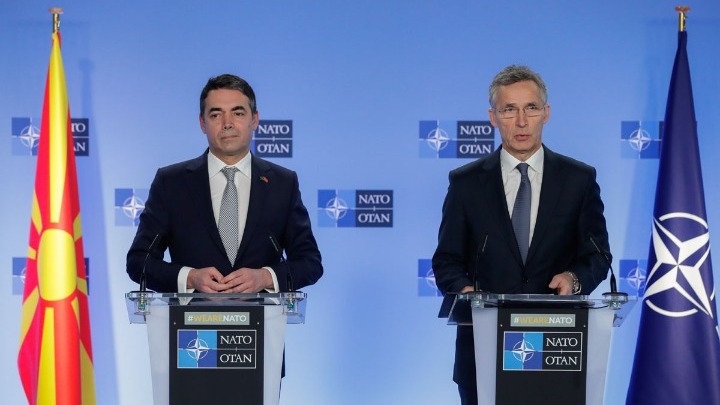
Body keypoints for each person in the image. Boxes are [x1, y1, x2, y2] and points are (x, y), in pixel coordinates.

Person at [432, 65, 610, 404]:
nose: (522, 121)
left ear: (546, 113)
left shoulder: (579, 179)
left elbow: (598, 255)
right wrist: (466, 291)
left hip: (558, 348)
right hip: (483, 351)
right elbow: (447, 260)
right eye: (509, 110)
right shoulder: (466, 183)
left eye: (531, 108)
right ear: (493, 117)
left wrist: (574, 279)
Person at [127, 73, 322, 295]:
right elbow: (139, 262)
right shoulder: (171, 183)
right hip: (191, 316)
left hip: (263, 315)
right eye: (216, 115)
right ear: (202, 123)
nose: (227, 124)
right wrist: (189, 278)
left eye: (238, 113)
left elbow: (310, 263)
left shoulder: (283, 184)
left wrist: (266, 277)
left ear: (254, 120)